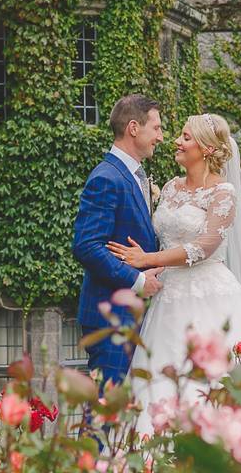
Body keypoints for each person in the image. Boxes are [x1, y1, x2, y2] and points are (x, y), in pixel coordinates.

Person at [106, 113, 241, 435]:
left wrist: (147, 258)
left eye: (186, 137)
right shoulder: (170, 188)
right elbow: (167, 240)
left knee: (214, 379)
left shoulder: (223, 193)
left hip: (211, 294)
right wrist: (151, 267)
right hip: (168, 298)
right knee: (161, 377)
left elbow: (203, 247)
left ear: (206, 148)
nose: (177, 141)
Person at [72, 94, 165, 385]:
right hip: (111, 316)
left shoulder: (134, 174)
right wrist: (138, 281)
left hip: (133, 315)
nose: (161, 137)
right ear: (134, 128)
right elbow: (86, 246)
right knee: (107, 411)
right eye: (157, 128)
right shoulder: (106, 177)